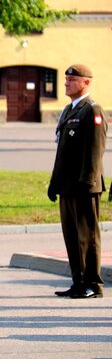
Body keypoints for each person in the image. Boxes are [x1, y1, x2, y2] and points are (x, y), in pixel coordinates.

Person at [48, 64, 107, 299]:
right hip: (67, 186)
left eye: (72, 80)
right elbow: (61, 152)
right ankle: (78, 281)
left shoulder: (92, 110)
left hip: (84, 186)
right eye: (66, 80)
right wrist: (54, 183)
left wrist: (87, 181)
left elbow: (95, 151)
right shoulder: (67, 111)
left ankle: (93, 284)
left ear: (86, 83)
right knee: (72, 236)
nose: (66, 83)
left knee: (88, 237)